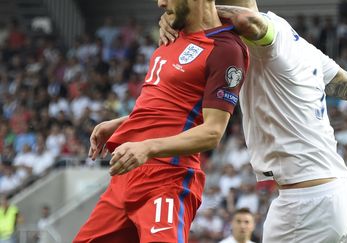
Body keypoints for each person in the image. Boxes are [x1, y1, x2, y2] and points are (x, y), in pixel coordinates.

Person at [159, 1, 347, 242]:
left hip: (306, 203)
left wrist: (196, 13)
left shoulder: (266, 40)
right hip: (338, 191)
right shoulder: (303, 48)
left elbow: (245, 21)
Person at [73, 0, 249, 242]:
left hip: (168, 180)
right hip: (125, 179)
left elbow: (212, 132)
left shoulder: (225, 49)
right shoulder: (171, 34)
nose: (160, 3)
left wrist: (148, 146)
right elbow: (172, 105)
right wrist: (125, 122)